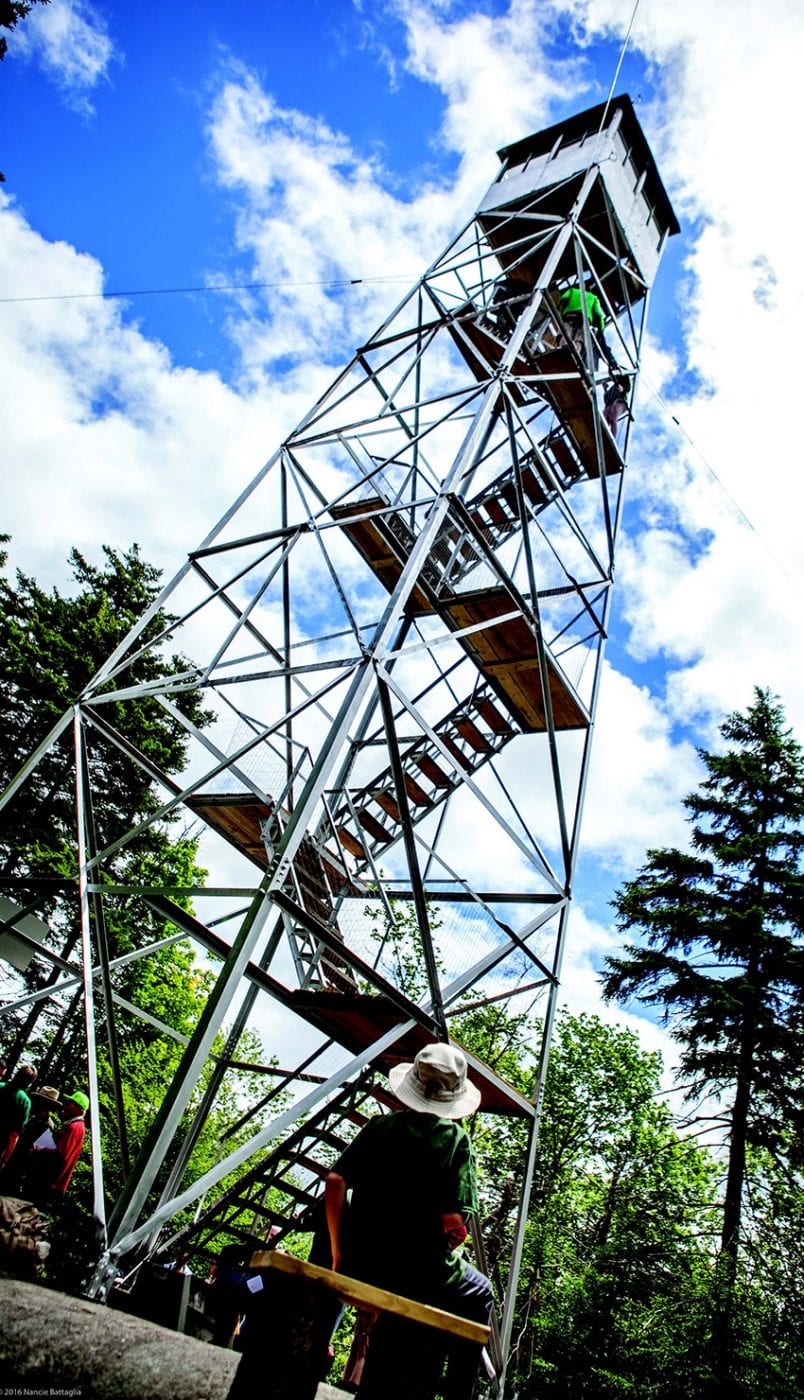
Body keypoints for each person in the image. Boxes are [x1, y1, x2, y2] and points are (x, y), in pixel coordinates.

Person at [324, 1043, 493, 1400]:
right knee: (481, 1291)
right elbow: (454, 1223)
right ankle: (458, 1393)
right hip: (420, 1275)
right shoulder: (454, 1140)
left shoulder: (378, 1128)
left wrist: (341, 1255)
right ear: (454, 1098)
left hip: (366, 1264)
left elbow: (335, 1180)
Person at [0, 1084, 59, 1195]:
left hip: (17, 1171)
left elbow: (37, 1153)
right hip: (9, 1162)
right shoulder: (33, 1118)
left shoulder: (47, 1126)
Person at [28, 1089, 88, 1196]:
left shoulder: (74, 1127)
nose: (66, 1106)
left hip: (47, 1181)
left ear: (79, 1109)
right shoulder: (76, 1126)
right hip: (50, 1181)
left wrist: (39, 1149)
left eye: (70, 1104)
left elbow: (60, 1155)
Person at [0, 1063, 37, 1169]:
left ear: (17, 1074)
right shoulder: (25, 1102)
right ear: (30, 1082)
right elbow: (14, 1135)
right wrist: (5, 1160)